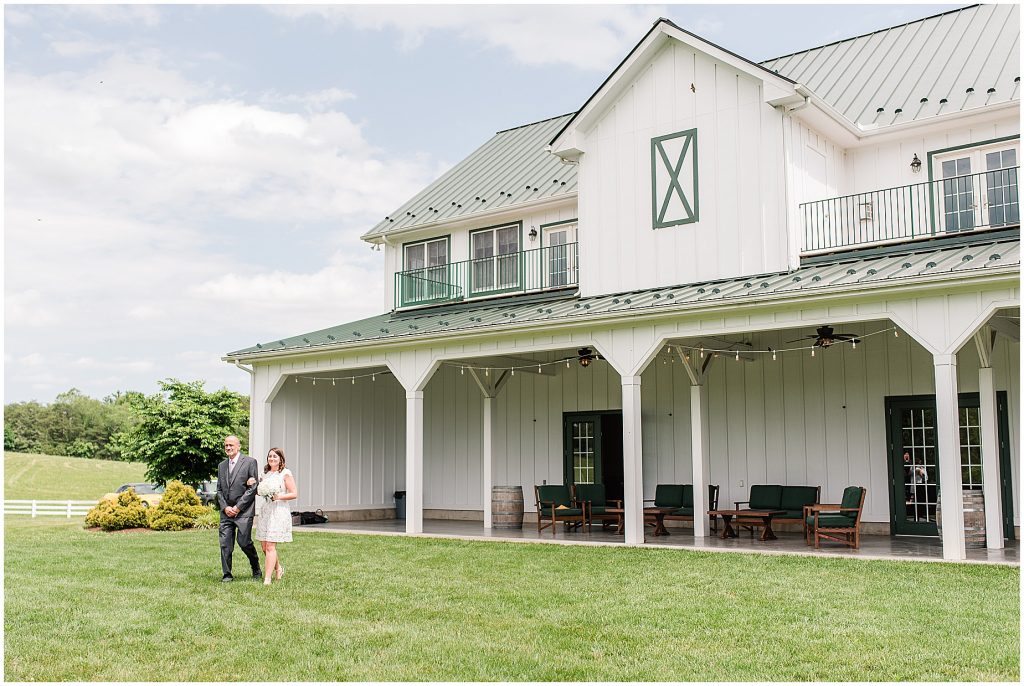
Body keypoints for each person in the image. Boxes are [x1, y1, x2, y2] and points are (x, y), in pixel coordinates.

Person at [216, 435, 262, 582]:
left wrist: (237, 507)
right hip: (226, 512)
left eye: (231, 445)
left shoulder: (250, 462)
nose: (228, 448)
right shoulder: (221, 466)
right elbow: (219, 490)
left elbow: (253, 488)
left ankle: (256, 567)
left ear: (238, 446)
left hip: (244, 512)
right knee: (225, 544)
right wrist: (225, 507)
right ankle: (227, 574)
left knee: (244, 542)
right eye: (226, 446)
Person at [254, 447, 297, 586]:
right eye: (270, 456)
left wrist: (278, 496)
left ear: (280, 459)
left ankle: (267, 579)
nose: (272, 459)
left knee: (271, 546)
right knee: (264, 546)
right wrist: (257, 490)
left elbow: (294, 493)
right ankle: (278, 568)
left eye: (275, 456)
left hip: (278, 511)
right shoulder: (264, 473)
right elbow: (259, 491)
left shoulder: (285, 473)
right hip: (266, 510)